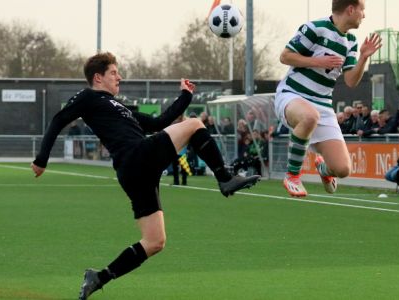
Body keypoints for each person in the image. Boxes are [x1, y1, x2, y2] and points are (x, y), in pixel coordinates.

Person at [30, 52, 260, 300]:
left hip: (135, 172)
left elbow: (158, 122)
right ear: (98, 77)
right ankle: (224, 177)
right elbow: (58, 119)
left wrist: (185, 95)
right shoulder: (89, 97)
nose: (120, 77)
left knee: (155, 241)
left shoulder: (120, 108)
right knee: (194, 124)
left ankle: (98, 277)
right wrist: (42, 159)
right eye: (114, 72)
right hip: (135, 157)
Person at [274, 0, 382, 197]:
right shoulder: (315, 28)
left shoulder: (351, 41)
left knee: (342, 170)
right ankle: (292, 176)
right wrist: (317, 61)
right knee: (309, 116)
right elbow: (285, 56)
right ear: (351, 9)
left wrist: (363, 58)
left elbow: (350, 81)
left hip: (322, 104)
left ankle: (324, 170)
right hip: (292, 94)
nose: (363, 15)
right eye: (362, 10)